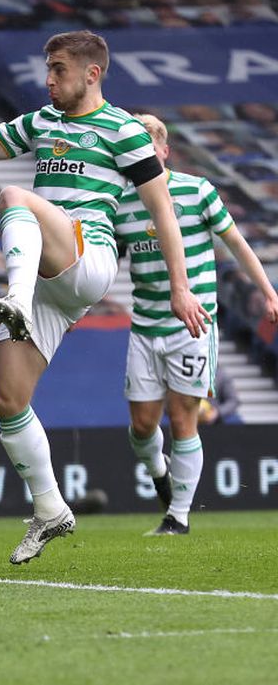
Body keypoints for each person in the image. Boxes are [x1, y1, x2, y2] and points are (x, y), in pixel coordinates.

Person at [0, 30, 211, 564]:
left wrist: (180, 286)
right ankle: (50, 509)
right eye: (48, 69)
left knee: (12, 195)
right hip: (49, 276)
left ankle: (17, 299)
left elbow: (162, 210)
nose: (49, 80)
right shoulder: (41, 123)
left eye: (60, 70)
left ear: (92, 73)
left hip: (87, 257)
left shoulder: (124, 130)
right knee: (7, 400)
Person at [113, 114, 278, 535]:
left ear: (164, 151)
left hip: (194, 326)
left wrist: (269, 292)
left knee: (184, 419)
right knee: (141, 427)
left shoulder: (197, 191)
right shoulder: (121, 204)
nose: (141, 158)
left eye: (149, 149)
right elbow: (106, 263)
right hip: (145, 326)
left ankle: (177, 517)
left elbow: (236, 243)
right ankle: (159, 472)